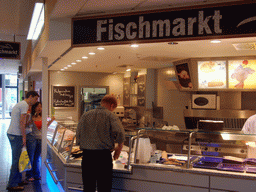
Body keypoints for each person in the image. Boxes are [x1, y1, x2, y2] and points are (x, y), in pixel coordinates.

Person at [76, 95, 125, 192]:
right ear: (111, 105)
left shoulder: (86, 115)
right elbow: (120, 134)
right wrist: (118, 151)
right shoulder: (111, 116)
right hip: (103, 157)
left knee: (88, 187)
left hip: (87, 157)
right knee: (104, 187)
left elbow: (78, 134)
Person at [6, 91, 39, 191]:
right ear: (30, 96)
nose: (36, 101)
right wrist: (24, 138)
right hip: (16, 135)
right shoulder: (25, 105)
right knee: (16, 160)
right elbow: (22, 122)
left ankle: (18, 180)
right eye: (36, 98)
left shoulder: (21, 104)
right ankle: (12, 184)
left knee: (20, 158)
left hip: (13, 134)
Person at [25, 102, 55, 182]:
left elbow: (44, 127)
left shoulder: (43, 117)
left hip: (40, 139)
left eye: (40, 106)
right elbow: (25, 126)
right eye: (38, 106)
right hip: (32, 139)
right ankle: (29, 175)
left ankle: (37, 174)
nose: (39, 108)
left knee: (37, 158)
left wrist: (51, 121)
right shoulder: (30, 116)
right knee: (30, 157)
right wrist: (29, 121)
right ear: (34, 107)